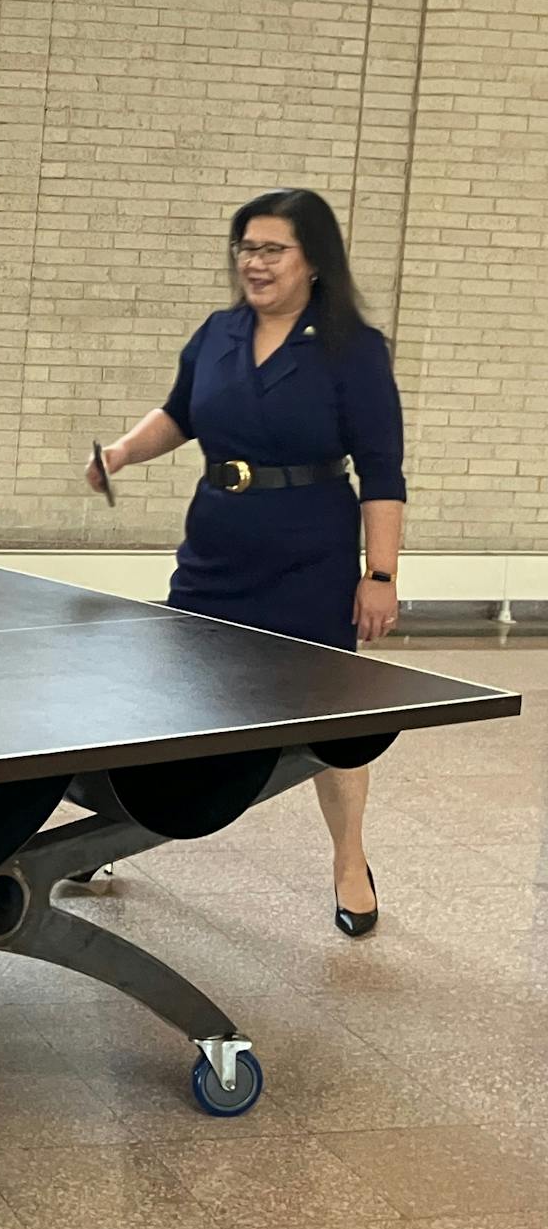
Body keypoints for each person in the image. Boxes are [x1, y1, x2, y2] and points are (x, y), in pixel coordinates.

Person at [91, 188, 405, 938]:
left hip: (310, 554)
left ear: (314, 260)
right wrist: (122, 452)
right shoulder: (219, 332)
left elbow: (382, 472)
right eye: (246, 248)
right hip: (218, 546)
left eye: (272, 250)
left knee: (333, 719)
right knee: (178, 702)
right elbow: (181, 413)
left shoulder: (353, 349)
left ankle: (350, 860)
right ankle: (110, 839)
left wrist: (380, 575)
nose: (254, 264)